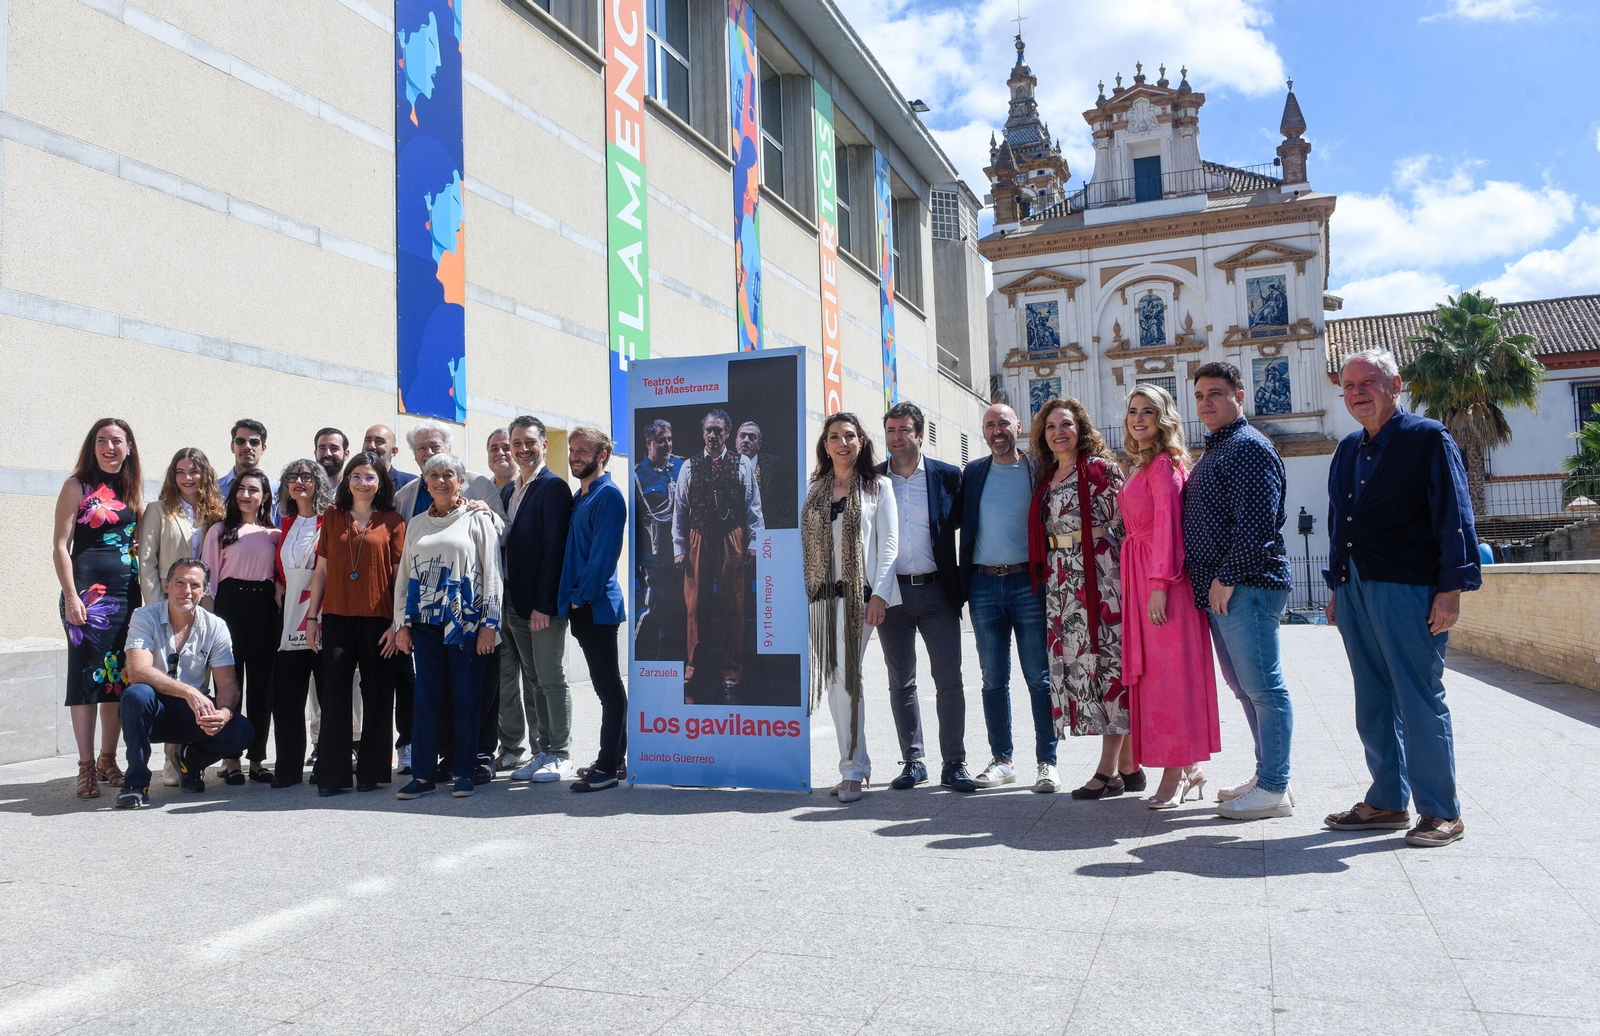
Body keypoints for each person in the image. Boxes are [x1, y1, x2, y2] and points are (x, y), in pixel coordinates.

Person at [1322, 350, 1480, 848]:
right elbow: (1337, 522)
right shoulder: (1347, 448)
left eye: (1369, 381)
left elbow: (1453, 512)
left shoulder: (1427, 437)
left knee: (1418, 697)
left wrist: (1451, 588)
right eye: (1348, 385)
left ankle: (1441, 811)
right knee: (1372, 699)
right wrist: (1336, 585)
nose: (1357, 392)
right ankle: (1388, 800)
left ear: (1396, 384)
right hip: (1355, 588)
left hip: (1409, 587)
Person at [1182, 361, 1296, 820]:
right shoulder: (1219, 448)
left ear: (1239, 397)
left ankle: (1274, 787)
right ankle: (1266, 776)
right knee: (1246, 689)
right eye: (1200, 395)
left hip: (1246, 585)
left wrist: (1226, 579)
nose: (1206, 402)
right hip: (1227, 589)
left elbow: (1258, 526)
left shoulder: (1248, 447)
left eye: (1216, 393)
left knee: (1264, 688)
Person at [1118, 385, 1219, 808]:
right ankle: (1189, 768)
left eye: (1148, 412)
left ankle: (1175, 773)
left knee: (1170, 679)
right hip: (1140, 575)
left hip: (1163, 582)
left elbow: (1169, 528)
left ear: (1163, 419)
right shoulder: (1144, 465)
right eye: (1133, 411)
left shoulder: (1164, 466)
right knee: (1157, 679)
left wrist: (1159, 586)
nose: (1138, 419)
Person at [1025, 399, 1131, 798]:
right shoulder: (1048, 475)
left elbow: (1124, 528)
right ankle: (1127, 764)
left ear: (1080, 428)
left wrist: (1120, 584)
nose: (1058, 432)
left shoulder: (1102, 471)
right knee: (1080, 667)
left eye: (1065, 424)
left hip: (1099, 579)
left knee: (1108, 668)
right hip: (1060, 581)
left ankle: (1109, 772)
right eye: (1050, 426)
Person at [959, 403, 1060, 792]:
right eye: (990, 425)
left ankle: (1047, 762)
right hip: (984, 585)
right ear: (983, 431)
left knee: (1039, 677)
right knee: (992, 679)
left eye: (1004, 423)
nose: (997, 430)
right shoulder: (974, 473)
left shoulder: (1040, 470)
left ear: (1018, 426)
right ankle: (1002, 760)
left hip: (1028, 584)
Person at [875, 403, 975, 793]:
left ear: (920, 433)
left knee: (949, 680)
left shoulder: (948, 476)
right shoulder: (874, 480)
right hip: (892, 594)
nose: (896, 437)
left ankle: (955, 763)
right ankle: (913, 761)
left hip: (937, 592)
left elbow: (968, 532)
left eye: (904, 430)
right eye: (890, 430)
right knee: (901, 681)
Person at [392, 453, 502, 800]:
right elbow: (405, 575)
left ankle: (464, 772)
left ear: (461, 482)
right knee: (426, 700)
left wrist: (490, 625)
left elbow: (493, 573)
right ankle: (423, 775)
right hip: (425, 624)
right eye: (434, 475)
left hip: (466, 624)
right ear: (426, 483)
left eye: (449, 474)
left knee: (466, 699)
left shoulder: (476, 518)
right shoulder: (418, 523)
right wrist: (401, 624)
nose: (441, 480)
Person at [802, 413, 897, 803]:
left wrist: (880, 595)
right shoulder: (813, 490)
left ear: (861, 442)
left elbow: (889, 545)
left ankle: (852, 771)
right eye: (835, 437)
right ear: (825, 445)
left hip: (859, 598)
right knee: (836, 679)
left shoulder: (878, 486)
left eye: (850, 436)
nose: (843, 443)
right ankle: (862, 763)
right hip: (821, 599)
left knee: (845, 678)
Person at [115, 559, 256, 808]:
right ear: (167, 585)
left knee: (242, 731)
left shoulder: (216, 626)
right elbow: (137, 671)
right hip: (152, 709)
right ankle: (136, 782)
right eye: (180, 582)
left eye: (195, 585)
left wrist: (223, 713)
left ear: (204, 591)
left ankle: (189, 762)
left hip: (193, 714)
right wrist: (188, 691)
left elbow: (227, 685)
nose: (186, 590)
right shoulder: (144, 616)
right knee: (136, 694)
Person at [306, 453, 407, 795]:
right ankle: (333, 775)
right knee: (333, 696)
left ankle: (372, 771)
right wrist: (311, 617)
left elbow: (398, 577)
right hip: (336, 617)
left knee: (378, 695)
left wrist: (398, 623)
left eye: (370, 477)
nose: (362, 482)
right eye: (356, 476)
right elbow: (320, 570)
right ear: (347, 479)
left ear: (381, 483)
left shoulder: (392, 520)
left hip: (379, 620)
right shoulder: (332, 517)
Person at [53, 418, 142, 799]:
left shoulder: (133, 487)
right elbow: (60, 545)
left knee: (117, 680)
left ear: (129, 447)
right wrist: (71, 595)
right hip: (87, 599)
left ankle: (109, 758)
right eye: (102, 441)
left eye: (117, 441)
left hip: (127, 597)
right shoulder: (77, 486)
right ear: (93, 447)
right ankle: (86, 766)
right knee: (86, 678)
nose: (109, 447)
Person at [138, 447, 226, 788]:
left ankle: (190, 753)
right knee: (170, 675)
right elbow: (146, 562)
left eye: (194, 471)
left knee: (198, 675)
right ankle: (170, 755)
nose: (187, 478)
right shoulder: (158, 511)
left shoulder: (215, 513)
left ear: (204, 474)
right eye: (180, 472)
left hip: (204, 605)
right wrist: (157, 607)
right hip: (167, 602)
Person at [497, 416, 576, 781]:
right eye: (516, 443)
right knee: (532, 680)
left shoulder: (552, 487)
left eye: (530, 442)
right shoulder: (512, 489)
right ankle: (542, 750)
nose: (522, 449)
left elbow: (554, 549)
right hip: (515, 601)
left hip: (540, 606)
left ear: (544, 445)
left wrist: (544, 605)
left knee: (550, 678)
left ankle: (560, 752)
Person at [673, 409, 765, 700]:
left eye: (719, 431)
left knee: (734, 606)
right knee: (694, 606)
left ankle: (731, 670)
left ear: (728, 434)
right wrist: (679, 547)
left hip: (731, 537)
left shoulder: (742, 466)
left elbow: (754, 507)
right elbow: (679, 512)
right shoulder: (689, 466)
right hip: (698, 537)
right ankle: (693, 667)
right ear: (703, 434)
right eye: (709, 430)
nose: (713, 436)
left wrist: (753, 544)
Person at [557, 427, 629, 792]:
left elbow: (603, 558)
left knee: (608, 688)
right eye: (572, 450)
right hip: (582, 605)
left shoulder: (609, 496)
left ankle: (606, 768)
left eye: (583, 450)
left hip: (595, 606)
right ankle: (615, 760)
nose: (575, 456)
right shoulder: (580, 495)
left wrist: (577, 599)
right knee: (608, 686)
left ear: (602, 455)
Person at [200, 467, 282, 784]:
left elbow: (280, 576)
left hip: (264, 610)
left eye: (254, 490)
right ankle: (231, 759)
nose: (246, 495)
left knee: (263, 687)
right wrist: (211, 621)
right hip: (229, 607)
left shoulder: (274, 534)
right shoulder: (219, 531)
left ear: (264, 498)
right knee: (230, 686)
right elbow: (209, 582)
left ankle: (258, 759)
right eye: (242, 489)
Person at [267, 459, 333, 788]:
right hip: (289, 616)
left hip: (320, 615)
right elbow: (281, 568)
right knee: (286, 695)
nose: (299, 481)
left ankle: (327, 764)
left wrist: (318, 613)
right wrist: (280, 583)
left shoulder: (331, 520)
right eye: (293, 476)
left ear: (318, 483)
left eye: (307, 476)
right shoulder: (286, 522)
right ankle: (288, 767)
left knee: (327, 695)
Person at [634, 420, 684, 662]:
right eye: (661, 440)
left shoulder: (681, 467)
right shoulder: (637, 477)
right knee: (652, 610)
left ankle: (669, 662)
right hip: (654, 558)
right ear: (649, 443)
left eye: (670, 439)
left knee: (677, 613)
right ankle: (640, 658)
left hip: (681, 556)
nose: (667, 444)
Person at [393, 420, 507, 521]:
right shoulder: (403, 496)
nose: (429, 452)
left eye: (435, 446)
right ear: (415, 454)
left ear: (448, 449)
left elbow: (504, 533)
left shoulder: (480, 484)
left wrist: (490, 517)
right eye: (422, 448)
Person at [218, 419, 281, 520]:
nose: (247, 446)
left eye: (254, 442)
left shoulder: (277, 489)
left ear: (263, 448)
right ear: (232, 447)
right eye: (240, 441)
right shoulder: (216, 489)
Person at [737, 420, 792, 527]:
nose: (746, 440)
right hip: (736, 535)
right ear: (736, 441)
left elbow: (789, 501)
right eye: (742, 436)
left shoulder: (775, 464)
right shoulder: (725, 464)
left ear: (759, 444)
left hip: (769, 533)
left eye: (751, 437)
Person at [363, 424, 415, 489]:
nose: (371, 446)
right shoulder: (352, 483)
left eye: (379, 441)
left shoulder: (410, 485)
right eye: (368, 440)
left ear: (393, 451)